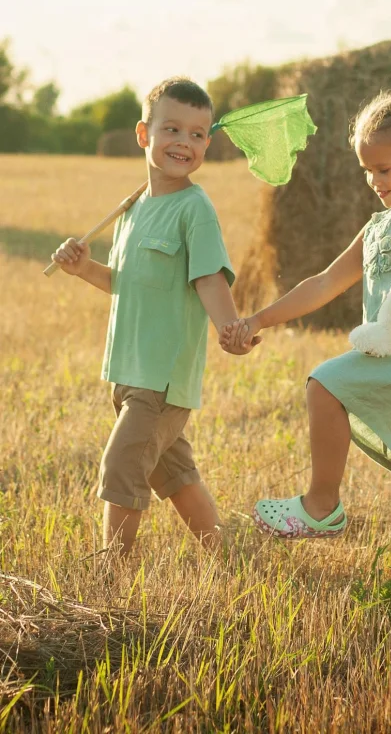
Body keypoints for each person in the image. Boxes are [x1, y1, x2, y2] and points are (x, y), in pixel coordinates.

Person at [221, 89, 391, 588]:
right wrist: (260, 319)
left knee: (324, 384)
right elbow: (324, 283)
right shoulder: (377, 227)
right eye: (367, 171)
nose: (374, 181)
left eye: (384, 169)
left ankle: (321, 505)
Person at [51, 77, 258, 558]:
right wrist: (84, 269)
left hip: (161, 377)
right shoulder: (131, 209)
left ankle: (112, 575)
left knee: (122, 464)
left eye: (196, 134)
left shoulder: (195, 209)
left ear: (208, 142)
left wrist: (231, 328)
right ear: (144, 135)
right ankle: (223, 553)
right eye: (172, 130)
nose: (183, 143)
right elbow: (124, 283)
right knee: (173, 472)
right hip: (127, 370)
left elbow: (209, 279)